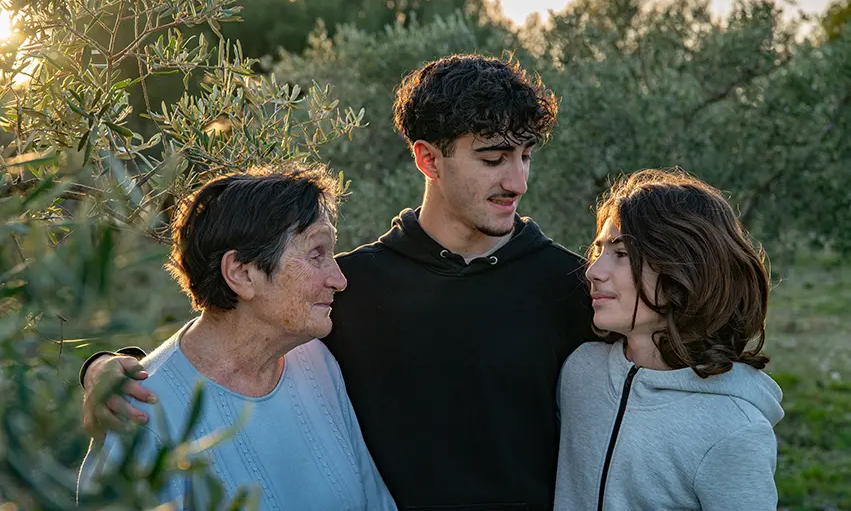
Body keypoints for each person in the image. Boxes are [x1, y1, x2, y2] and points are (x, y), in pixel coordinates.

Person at [79, 54, 596, 510]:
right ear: (427, 158)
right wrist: (110, 369)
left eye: (525, 156)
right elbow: (229, 335)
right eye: (494, 158)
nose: (518, 181)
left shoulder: (573, 287)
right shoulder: (347, 290)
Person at [78, 166, 396, 510]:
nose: (338, 279)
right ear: (242, 273)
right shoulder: (141, 412)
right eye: (316, 254)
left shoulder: (317, 362)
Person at [554, 169, 784, 511]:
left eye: (621, 254)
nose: (593, 271)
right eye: (599, 250)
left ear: (684, 268)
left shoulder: (734, 429)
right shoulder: (580, 371)